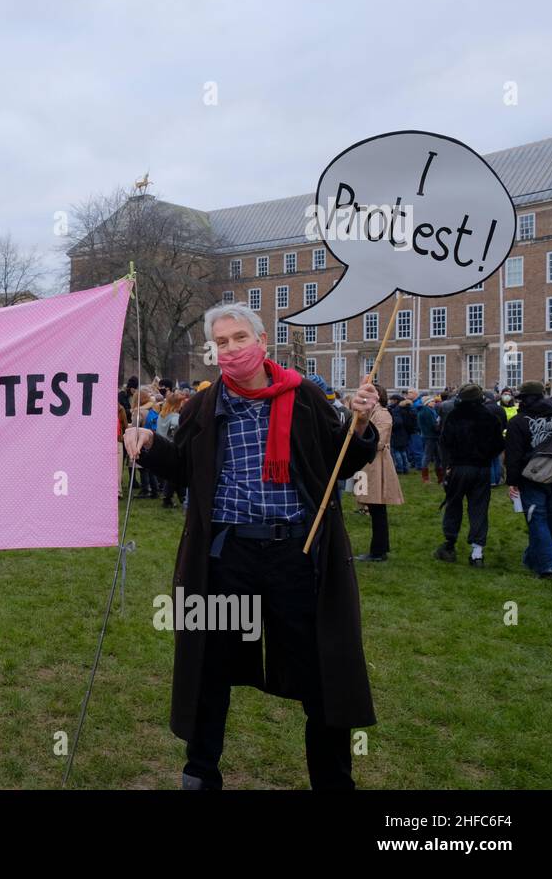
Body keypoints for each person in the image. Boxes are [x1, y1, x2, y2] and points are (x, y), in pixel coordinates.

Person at [124, 301, 380, 790]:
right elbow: (185, 470)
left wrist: (361, 425)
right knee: (208, 669)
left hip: (296, 557)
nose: (231, 349)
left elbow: (340, 462)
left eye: (239, 338)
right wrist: (149, 443)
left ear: (262, 342)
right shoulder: (204, 405)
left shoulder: (304, 396)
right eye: (221, 342)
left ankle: (332, 781)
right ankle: (200, 772)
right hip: (226, 559)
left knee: (321, 672)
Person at [436, 383, 505, 567]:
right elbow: (499, 445)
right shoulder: (490, 417)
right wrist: (486, 457)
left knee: (453, 505)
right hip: (481, 468)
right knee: (479, 508)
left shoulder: (454, 416)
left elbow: (444, 443)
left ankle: (449, 545)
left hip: (458, 467)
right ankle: (477, 553)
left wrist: (446, 466)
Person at [504, 380, 552, 580]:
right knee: (551, 519)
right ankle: (533, 557)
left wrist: (512, 482)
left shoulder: (518, 422)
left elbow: (513, 455)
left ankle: (550, 564)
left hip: (529, 477)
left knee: (537, 519)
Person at [353, 382, 403, 562]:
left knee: (378, 508)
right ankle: (379, 548)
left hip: (377, 463)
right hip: (368, 464)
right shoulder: (372, 413)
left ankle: (378, 550)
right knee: (373, 507)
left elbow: (379, 441)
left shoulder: (382, 414)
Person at [155, 391, 184, 508]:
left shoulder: (161, 415)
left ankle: (174, 498)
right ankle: (169, 498)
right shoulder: (175, 418)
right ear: (178, 404)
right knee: (175, 474)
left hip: (160, 446)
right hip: (172, 448)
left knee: (174, 475)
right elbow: (175, 432)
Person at [418, 391, 445, 484]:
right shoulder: (427, 411)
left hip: (431, 436)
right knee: (427, 456)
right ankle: (425, 478)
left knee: (437, 457)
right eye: (432, 401)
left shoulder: (428, 410)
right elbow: (433, 425)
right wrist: (440, 426)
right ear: (427, 403)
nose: (434, 402)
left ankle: (440, 478)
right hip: (430, 436)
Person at [387, 395, 413, 474]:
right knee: (403, 451)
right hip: (405, 432)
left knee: (397, 452)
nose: (390, 402)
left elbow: (398, 422)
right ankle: (406, 468)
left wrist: (391, 426)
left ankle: (400, 468)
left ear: (395, 400)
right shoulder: (406, 408)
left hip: (397, 433)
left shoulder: (396, 409)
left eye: (391, 400)